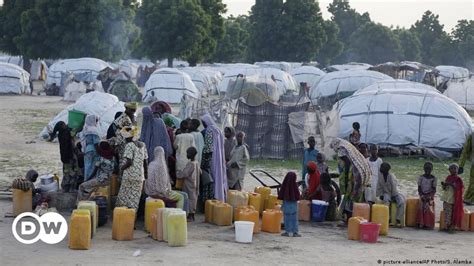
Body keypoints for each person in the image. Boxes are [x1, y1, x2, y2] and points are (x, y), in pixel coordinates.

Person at [331, 138, 371, 221]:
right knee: (354, 195)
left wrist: (345, 178)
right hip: (359, 174)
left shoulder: (341, 149)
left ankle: (350, 217)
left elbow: (348, 163)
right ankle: (353, 215)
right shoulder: (347, 147)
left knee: (351, 195)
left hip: (354, 174)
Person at [116, 127, 148, 211]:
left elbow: (129, 162)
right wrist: (146, 174)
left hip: (129, 175)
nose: (125, 139)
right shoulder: (143, 145)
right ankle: (132, 216)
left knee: (124, 196)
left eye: (126, 137)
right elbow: (145, 162)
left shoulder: (129, 145)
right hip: (139, 176)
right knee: (135, 197)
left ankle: (122, 216)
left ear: (129, 137)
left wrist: (121, 169)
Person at [201, 114, 227, 202]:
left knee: (211, 177)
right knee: (219, 176)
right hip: (219, 157)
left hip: (212, 158)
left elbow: (208, 148)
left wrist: (204, 161)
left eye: (203, 122)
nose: (203, 124)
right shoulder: (218, 129)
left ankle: (212, 199)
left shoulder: (209, 130)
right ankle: (220, 197)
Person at [50, 121, 79, 192]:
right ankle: (71, 188)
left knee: (66, 172)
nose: (65, 125)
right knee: (73, 172)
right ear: (62, 127)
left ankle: (65, 188)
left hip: (64, 157)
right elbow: (73, 133)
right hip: (70, 156)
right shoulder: (66, 133)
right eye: (64, 124)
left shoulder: (61, 134)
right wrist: (77, 125)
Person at [376, 162, 406, 228]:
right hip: (386, 193)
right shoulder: (380, 176)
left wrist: (394, 197)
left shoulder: (391, 176)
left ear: (386, 169)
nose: (380, 168)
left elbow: (394, 188)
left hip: (395, 193)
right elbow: (378, 187)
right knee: (386, 200)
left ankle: (398, 220)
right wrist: (380, 195)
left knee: (401, 202)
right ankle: (388, 220)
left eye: (382, 167)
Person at [177, 147, 201, 221]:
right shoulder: (196, 163)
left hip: (189, 184)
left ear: (191, 154)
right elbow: (200, 172)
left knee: (190, 199)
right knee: (194, 198)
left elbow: (185, 173)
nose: (186, 155)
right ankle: (192, 214)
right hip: (195, 183)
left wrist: (178, 173)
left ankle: (190, 215)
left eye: (187, 153)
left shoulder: (191, 164)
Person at [441, 164, 464, 233]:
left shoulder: (458, 179)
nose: (453, 170)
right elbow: (445, 188)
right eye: (452, 168)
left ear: (457, 170)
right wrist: (444, 185)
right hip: (446, 198)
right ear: (449, 170)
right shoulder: (448, 177)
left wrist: (450, 184)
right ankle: (447, 226)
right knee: (447, 212)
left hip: (453, 199)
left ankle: (451, 227)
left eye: (455, 168)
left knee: (452, 213)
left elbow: (459, 189)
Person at [278, 172, 301, 237]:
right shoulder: (295, 185)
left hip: (286, 204)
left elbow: (281, 194)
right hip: (293, 205)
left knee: (286, 218)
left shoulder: (285, 185)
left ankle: (287, 232)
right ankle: (295, 232)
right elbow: (297, 196)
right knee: (294, 219)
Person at [416, 162, 437, 229]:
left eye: (429, 169)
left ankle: (428, 224)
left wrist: (430, 197)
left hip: (430, 195)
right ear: (424, 169)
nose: (427, 170)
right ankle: (420, 223)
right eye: (426, 169)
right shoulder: (421, 177)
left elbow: (434, 189)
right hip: (422, 194)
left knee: (428, 206)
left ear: (432, 169)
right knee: (421, 205)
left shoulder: (434, 178)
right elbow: (419, 188)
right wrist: (421, 195)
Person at [81, 115, 101, 182]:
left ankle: (85, 182)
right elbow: (96, 143)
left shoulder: (86, 128)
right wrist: (100, 152)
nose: (97, 122)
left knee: (87, 167)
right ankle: (90, 184)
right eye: (96, 120)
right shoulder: (94, 130)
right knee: (93, 168)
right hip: (93, 150)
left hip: (87, 149)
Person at [457, 135, 474, 205]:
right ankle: (469, 199)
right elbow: (465, 151)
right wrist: (460, 165)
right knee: (473, 183)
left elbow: (465, 151)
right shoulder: (472, 136)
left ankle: (469, 198)